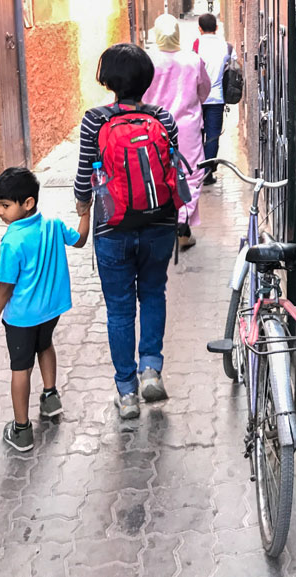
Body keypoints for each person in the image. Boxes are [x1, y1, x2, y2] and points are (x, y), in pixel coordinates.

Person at [74, 43, 179, 419]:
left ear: (109, 81)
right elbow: (172, 172)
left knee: (119, 310)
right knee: (153, 294)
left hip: (112, 228)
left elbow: (85, 176)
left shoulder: (94, 120)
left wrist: (83, 215)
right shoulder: (164, 119)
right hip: (160, 226)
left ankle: (127, 392)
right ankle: (151, 368)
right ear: (146, 80)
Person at [0, 167, 90, 451]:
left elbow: (4, 286)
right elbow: (80, 240)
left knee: (21, 368)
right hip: (51, 310)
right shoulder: (54, 225)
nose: (0, 213)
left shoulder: (13, 240)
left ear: (27, 203)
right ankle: (50, 396)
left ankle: (21, 430)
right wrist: (85, 212)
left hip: (21, 318)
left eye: (5, 206)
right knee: (45, 346)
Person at [143, 14, 211, 249]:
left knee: (158, 174)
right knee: (191, 175)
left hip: (154, 128)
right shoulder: (192, 60)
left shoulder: (148, 60)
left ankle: (163, 224)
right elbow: (204, 90)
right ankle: (182, 222)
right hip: (186, 128)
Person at [193, 13, 235, 186]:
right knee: (212, 136)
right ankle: (208, 173)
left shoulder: (197, 44)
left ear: (200, 29)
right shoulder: (226, 46)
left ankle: (197, 170)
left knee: (197, 136)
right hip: (217, 99)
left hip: (197, 98)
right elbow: (234, 65)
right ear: (216, 27)